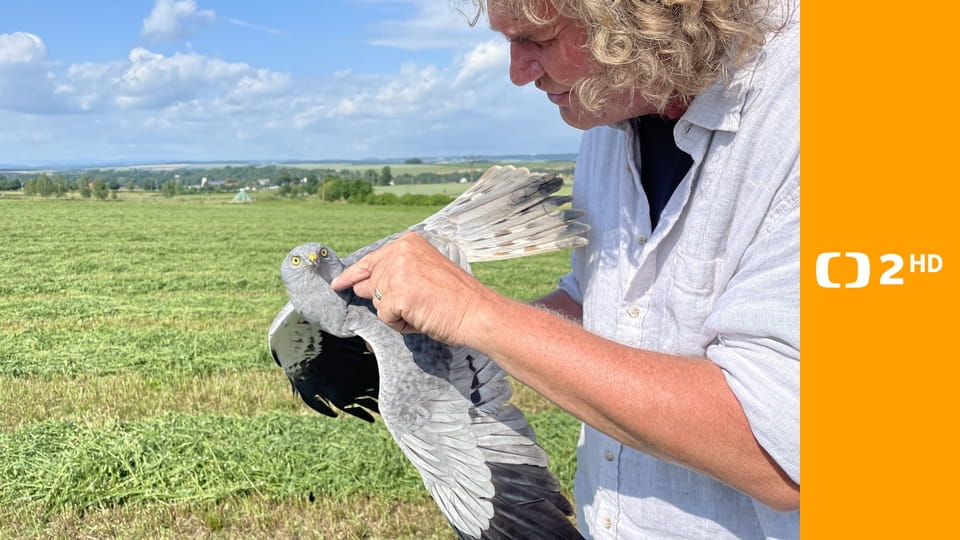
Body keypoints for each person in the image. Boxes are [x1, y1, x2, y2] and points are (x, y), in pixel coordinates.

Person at [332, 0, 799, 537]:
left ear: (639, 16)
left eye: (539, 37)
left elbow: (778, 453)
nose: (517, 72)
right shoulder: (616, 101)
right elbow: (601, 299)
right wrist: (440, 348)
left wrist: (476, 314)